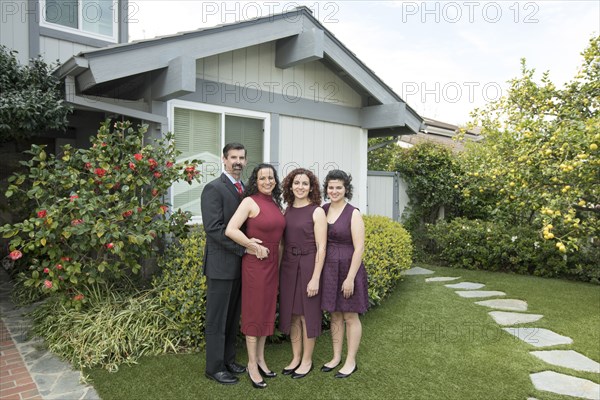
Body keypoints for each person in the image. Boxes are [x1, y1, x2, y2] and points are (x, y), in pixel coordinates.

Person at [200, 143, 264, 385]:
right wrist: (244, 247)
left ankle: (228, 360)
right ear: (224, 160)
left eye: (241, 158)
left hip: (240, 266)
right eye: (233, 157)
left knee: (232, 316)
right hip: (220, 266)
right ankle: (214, 367)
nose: (237, 161)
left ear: (246, 162)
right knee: (217, 319)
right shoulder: (214, 188)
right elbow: (214, 229)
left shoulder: (244, 190)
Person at [225, 163, 286, 389]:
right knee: (254, 312)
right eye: (263, 178)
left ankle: (261, 358)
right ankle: (251, 364)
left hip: (272, 266)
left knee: (267, 311)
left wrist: (278, 267)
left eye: (271, 178)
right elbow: (230, 229)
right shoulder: (249, 201)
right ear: (255, 181)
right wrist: (249, 244)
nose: (268, 181)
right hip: (255, 265)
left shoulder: (276, 204)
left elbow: (279, 241)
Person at [320, 170, 368, 379]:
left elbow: (359, 248)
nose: (334, 191)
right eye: (331, 187)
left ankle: (351, 361)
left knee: (350, 315)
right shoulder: (322, 210)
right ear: (326, 189)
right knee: (335, 314)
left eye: (338, 187)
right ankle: (336, 356)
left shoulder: (353, 213)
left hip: (349, 269)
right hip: (329, 269)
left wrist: (350, 278)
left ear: (346, 189)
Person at [279, 168, 327, 379]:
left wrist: (316, 277)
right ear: (290, 186)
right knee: (293, 314)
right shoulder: (286, 210)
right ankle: (295, 357)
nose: (300, 186)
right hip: (289, 267)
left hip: (309, 266)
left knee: (308, 314)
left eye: (304, 183)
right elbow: (281, 243)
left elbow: (322, 247)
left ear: (311, 187)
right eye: (296, 183)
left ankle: (307, 360)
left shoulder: (316, 211)